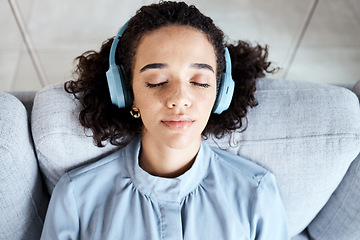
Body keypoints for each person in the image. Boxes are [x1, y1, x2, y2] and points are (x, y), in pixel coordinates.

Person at [41, 1, 290, 239]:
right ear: (127, 92)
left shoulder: (257, 192)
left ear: (220, 93)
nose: (179, 99)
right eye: (157, 81)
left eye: (200, 82)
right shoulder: (76, 197)